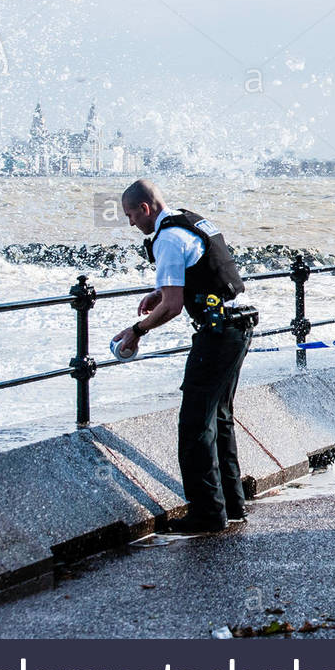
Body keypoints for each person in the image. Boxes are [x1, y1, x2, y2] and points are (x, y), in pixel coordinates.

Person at [113, 179, 258, 533]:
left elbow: (174, 307)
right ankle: (232, 504)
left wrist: (137, 331)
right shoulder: (188, 220)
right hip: (240, 323)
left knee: (194, 423)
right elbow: (197, 273)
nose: (131, 223)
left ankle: (207, 515)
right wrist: (158, 292)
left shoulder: (167, 238)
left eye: (131, 215)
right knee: (220, 416)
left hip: (219, 333)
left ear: (145, 208)